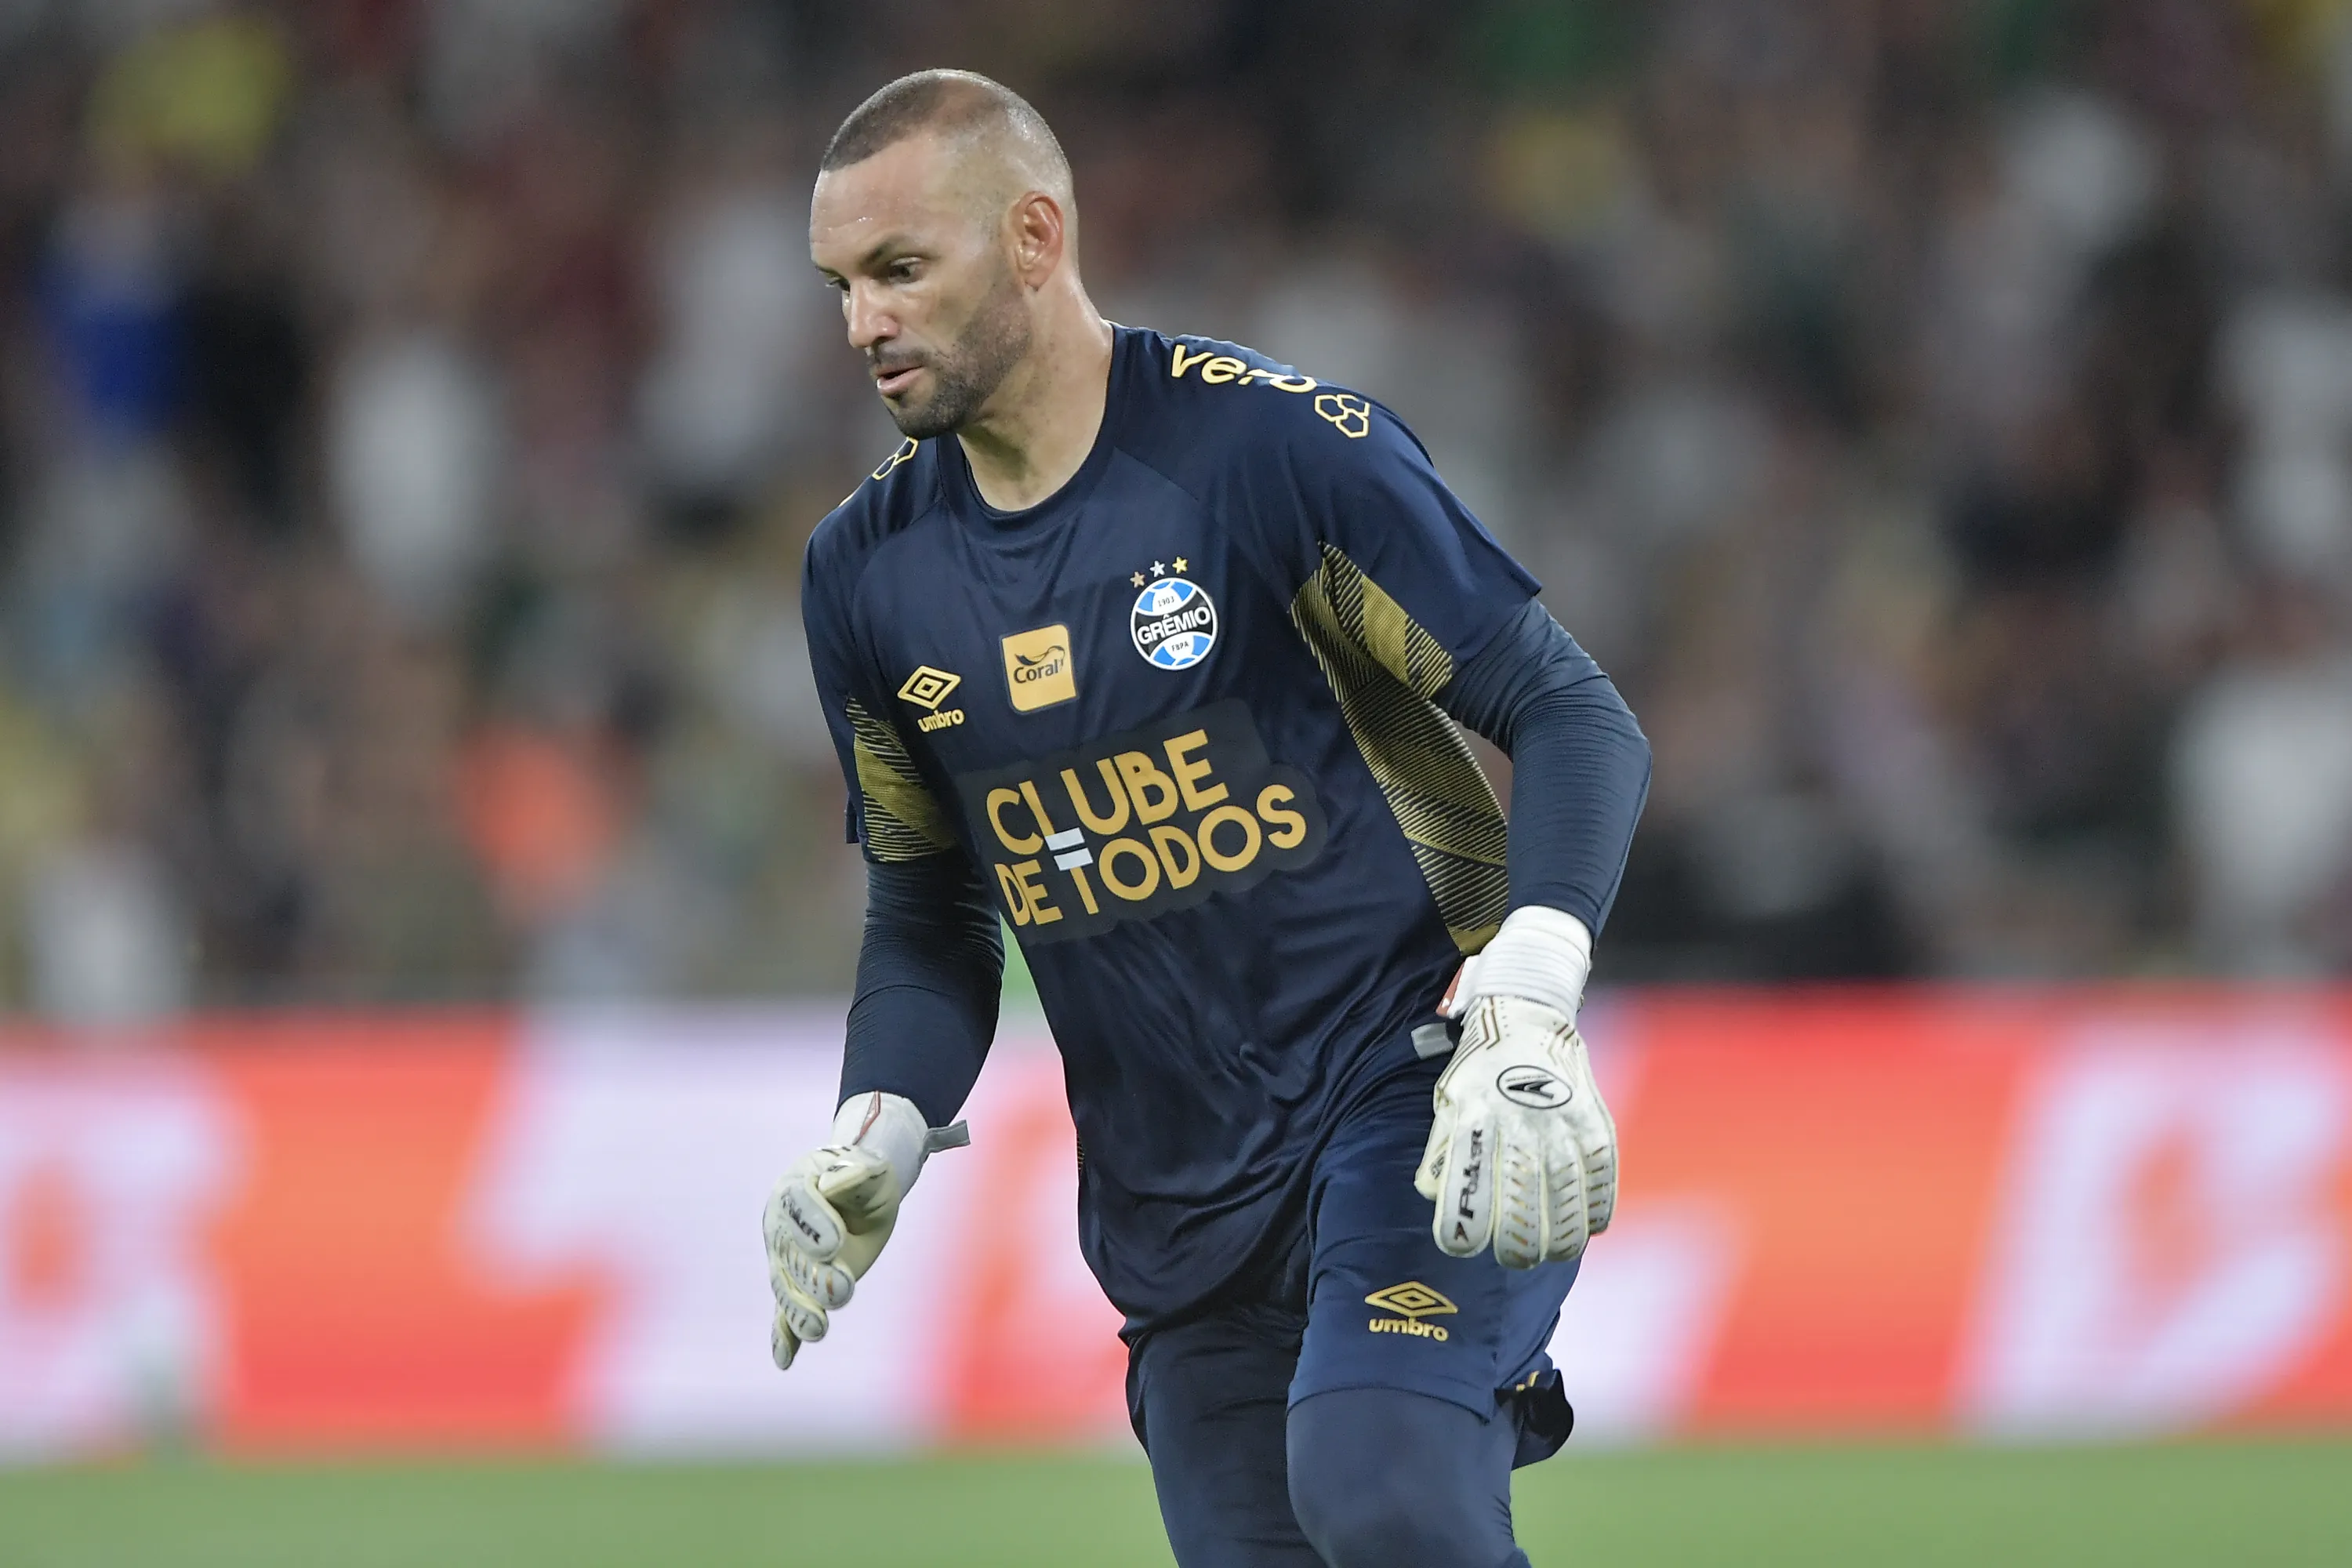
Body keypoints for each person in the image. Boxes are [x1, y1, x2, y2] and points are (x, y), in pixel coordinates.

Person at [764, 70, 1650, 1568]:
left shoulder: (1270, 451)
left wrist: (1531, 995)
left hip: (1417, 1103)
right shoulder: (865, 575)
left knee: (1383, 1495)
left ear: (1035, 238)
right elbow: (931, 910)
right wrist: (885, 1121)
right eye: (843, 285)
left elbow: (1571, 717)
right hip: (1171, 1201)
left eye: (901, 271)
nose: (863, 324)